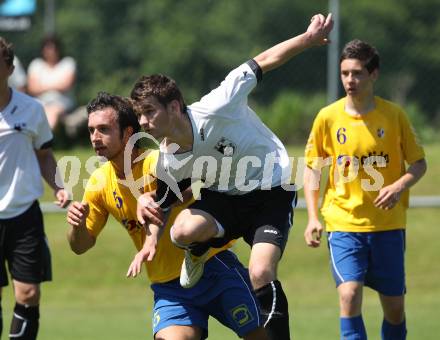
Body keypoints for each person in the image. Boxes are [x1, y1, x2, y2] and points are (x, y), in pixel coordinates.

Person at [128, 13, 333, 340]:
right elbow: (164, 204)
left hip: (271, 188)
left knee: (261, 271)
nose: (143, 121)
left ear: (175, 106)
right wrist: (150, 228)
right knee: (182, 232)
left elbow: (264, 60)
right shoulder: (166, 161)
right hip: (224, 197)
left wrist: (307, 39)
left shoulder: (218, 105)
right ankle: (197, 252)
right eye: (138, 114)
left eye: (149, 111)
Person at [66, 92, 268, 340]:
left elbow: (195, 188)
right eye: (91, 130)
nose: (95, 137)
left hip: (213, 266)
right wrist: (76, 226)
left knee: (261, 335)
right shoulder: (98, 182)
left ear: (128, 133)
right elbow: (81, 246)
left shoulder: (159, 162)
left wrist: (154, 198)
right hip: (170, 288)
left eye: (104, 129)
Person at [303, 39, 427, 340]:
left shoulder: (394, 116)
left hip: (388, 225)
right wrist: (313, 217)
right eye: (345, 73)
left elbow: (419, 164)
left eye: (357, 73)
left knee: (395, 309)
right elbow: (312, 168)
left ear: (374, 75)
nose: (350, 80)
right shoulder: (328, 117)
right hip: (343, 223)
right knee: (349, 294)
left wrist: (399, 186)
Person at [0, 36, 69, 340]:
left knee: (28, 293)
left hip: (24, 216)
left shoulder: (32, 109)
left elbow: (45, 155)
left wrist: (59, 187)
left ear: (9, 68)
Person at [27, 35, 76, 131]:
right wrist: (56, 85)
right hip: (40, 103)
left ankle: (47, 138)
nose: (51, 51)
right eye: (48, 48)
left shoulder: (68, 63)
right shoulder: (36, 64)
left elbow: (67, 85)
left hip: (63, 103)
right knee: (44, 110)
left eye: (54, 48)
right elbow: (32, 88)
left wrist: (42, 87)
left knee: (53, 111)